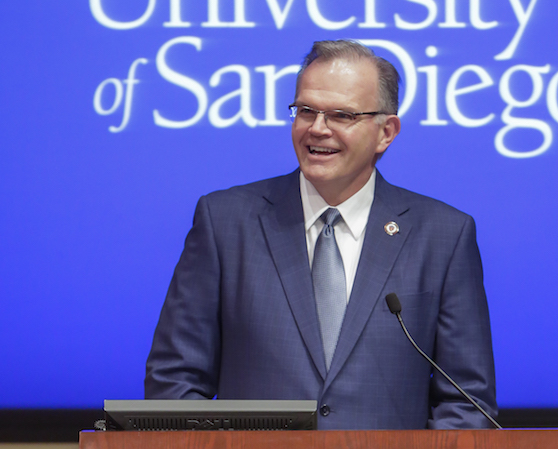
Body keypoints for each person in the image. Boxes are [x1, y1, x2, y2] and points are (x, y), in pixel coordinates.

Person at [145, 39, 498, 430]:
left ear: (386, 132)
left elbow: (467, 404)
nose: (317, 129)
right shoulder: (225, 222)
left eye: (341, 116)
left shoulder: (443, 236)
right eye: (306, 111)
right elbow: (174, 383)